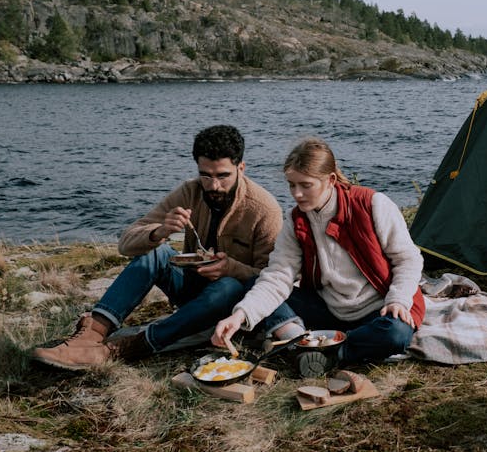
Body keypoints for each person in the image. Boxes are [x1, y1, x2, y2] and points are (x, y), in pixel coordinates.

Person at [32, 125, 283, 370]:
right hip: (192, 289)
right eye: (205, 175)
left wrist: (231, 268)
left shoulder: (264, 209)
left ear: (241, 167)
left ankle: (129, 347)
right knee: (157, 252)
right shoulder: (190, 191)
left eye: (222, 176)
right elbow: (126, 243)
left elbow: (272, 280)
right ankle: (92, 333)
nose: (213, 185)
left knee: (228, 286)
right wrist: (161, 231)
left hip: (231, 307)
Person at [211, 137, 425, 368]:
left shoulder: (372, 204)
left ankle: (320, 352)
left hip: (379, 307)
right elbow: (278, 277)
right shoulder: (296, 221)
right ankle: (307, 342)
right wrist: (239, 316)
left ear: (330, 180)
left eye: (305, 185)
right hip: (329, 309)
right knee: (255, 282)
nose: (297, 194)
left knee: (395, 334)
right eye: (292, 185)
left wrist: (399, 300)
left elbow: (408, 259)